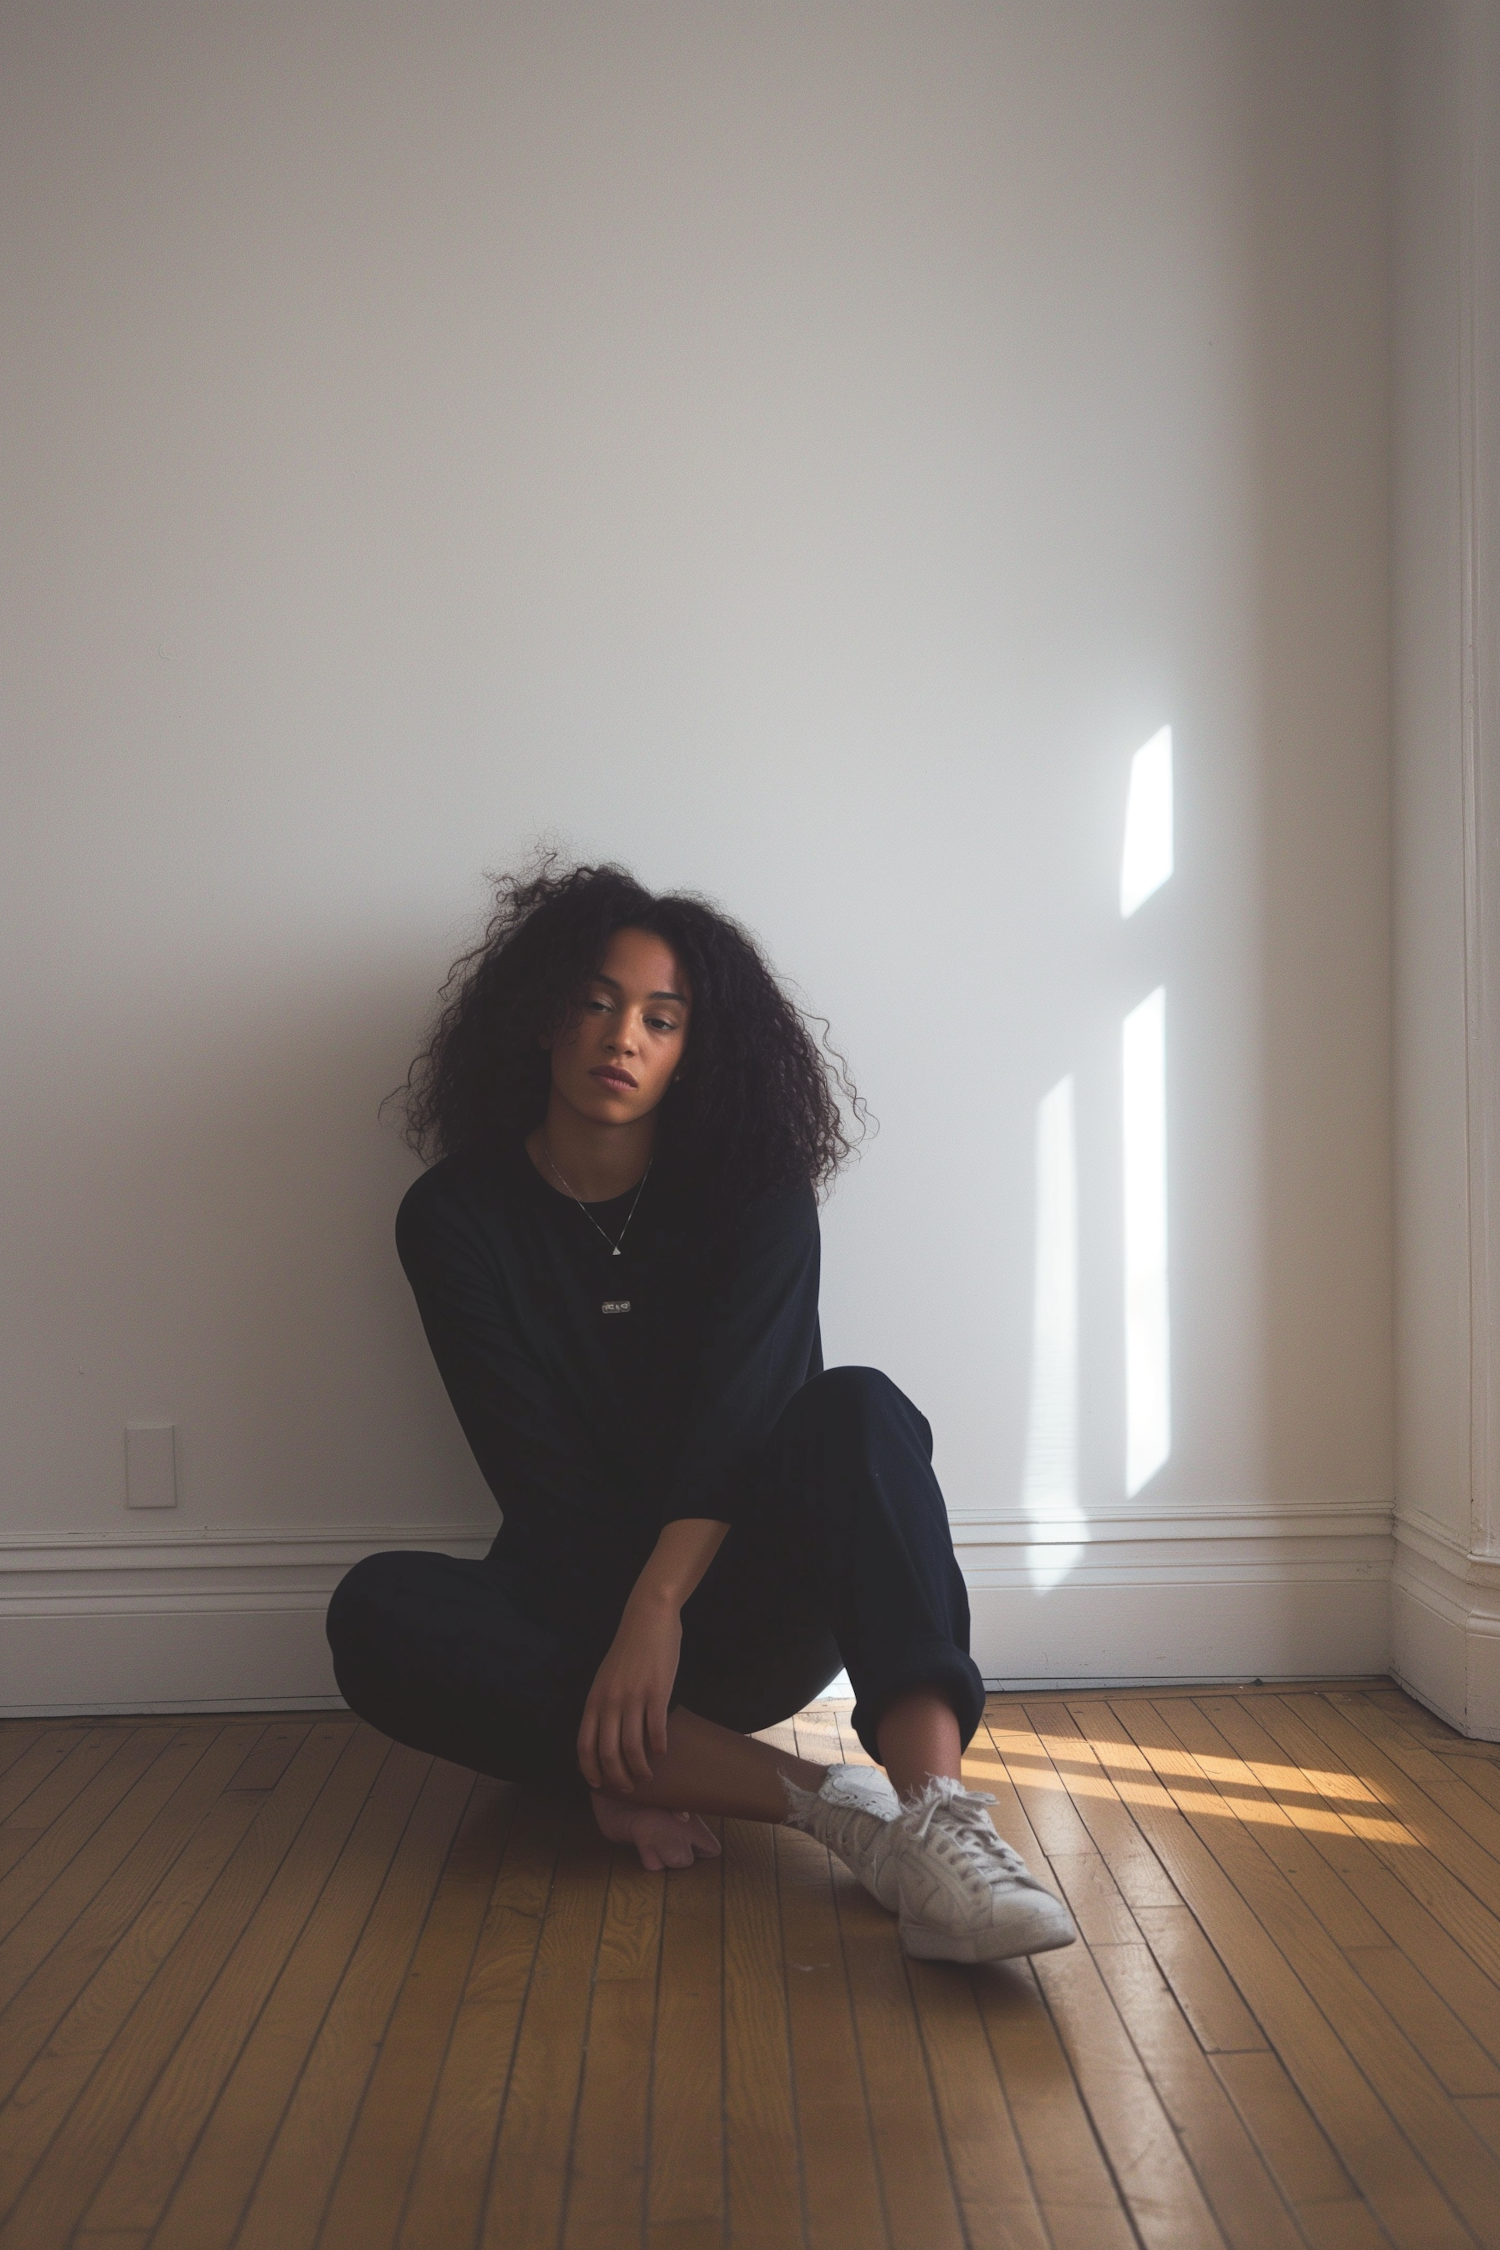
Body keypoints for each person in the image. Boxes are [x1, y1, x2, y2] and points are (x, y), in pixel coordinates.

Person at [327, 861, 1075, 1964]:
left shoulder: (758, 1196)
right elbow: (536, 1476)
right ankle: (837, 1810)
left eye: (661, 1019)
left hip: (752, 1608)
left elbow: (743, 1421)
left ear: (693, 1052)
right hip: (580, 1616)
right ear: (542, 1016)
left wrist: (662, 1608)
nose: (622, 1036)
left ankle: (941, 1823)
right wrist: (620, 1676)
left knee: (860, 1410)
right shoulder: (455, 1217)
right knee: (374, 1613)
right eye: (596, 1001)